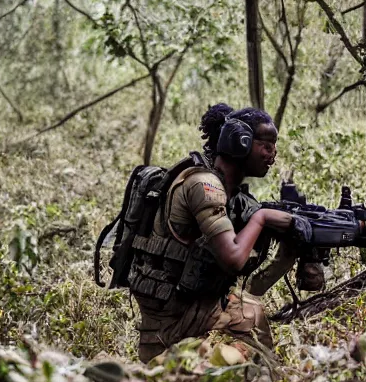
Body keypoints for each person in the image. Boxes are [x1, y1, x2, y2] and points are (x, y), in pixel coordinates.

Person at [129, 103, 306, 363]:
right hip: (169, 316)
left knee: (249, 310)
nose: (272, 154)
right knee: (250, 315)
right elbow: (234, 258)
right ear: (240, 142)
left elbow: (242, 281)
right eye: (266, 145)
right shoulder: (205, 185)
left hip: (184, 304)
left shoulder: (230, 194)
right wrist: (261, 218)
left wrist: (290, 252)